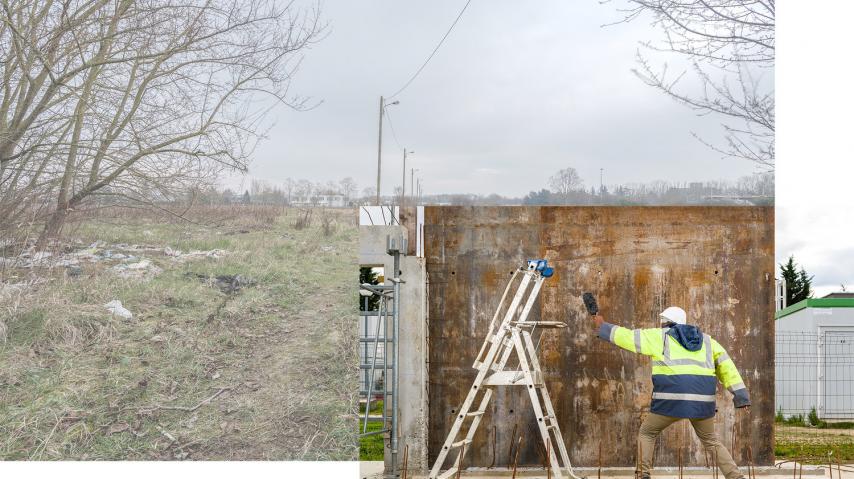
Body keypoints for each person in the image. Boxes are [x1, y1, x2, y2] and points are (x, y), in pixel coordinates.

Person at [593, 306, 750, 479]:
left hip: (670, 401)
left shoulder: (660, 337)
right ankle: (736, 476)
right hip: (701, 403)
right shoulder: (708, 342)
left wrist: (604, 327)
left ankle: (643, 474)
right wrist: (741, 396)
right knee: (711, 441)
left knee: (647, 432)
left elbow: (629, 338)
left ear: (666, 322)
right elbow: (728, 368)